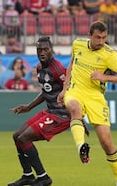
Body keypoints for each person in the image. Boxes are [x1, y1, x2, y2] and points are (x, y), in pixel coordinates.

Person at [57, 21, 117, 186]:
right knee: (74, 108)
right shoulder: (78, 44)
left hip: (96, 97)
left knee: (106, 142)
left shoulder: (109, 54)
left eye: (104, 38)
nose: (101, 41)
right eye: (98, 37)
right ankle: (81, 147)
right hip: (76, 90)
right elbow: (71, 65)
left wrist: (105, 77)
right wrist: (65, 89)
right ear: (89, 36)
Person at [8, 37, 70, 186]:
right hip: (50, 111)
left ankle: (43, 177)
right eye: (39, 50)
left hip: (61, 115)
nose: (42, 52)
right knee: (17, 136)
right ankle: (28, 175)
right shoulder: (40, 68)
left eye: (45, 49)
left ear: (51, 50)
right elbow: (46, 92)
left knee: (24, 139)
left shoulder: (58, 69)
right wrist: (29, 107)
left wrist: (77, 116)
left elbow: (71, 90)